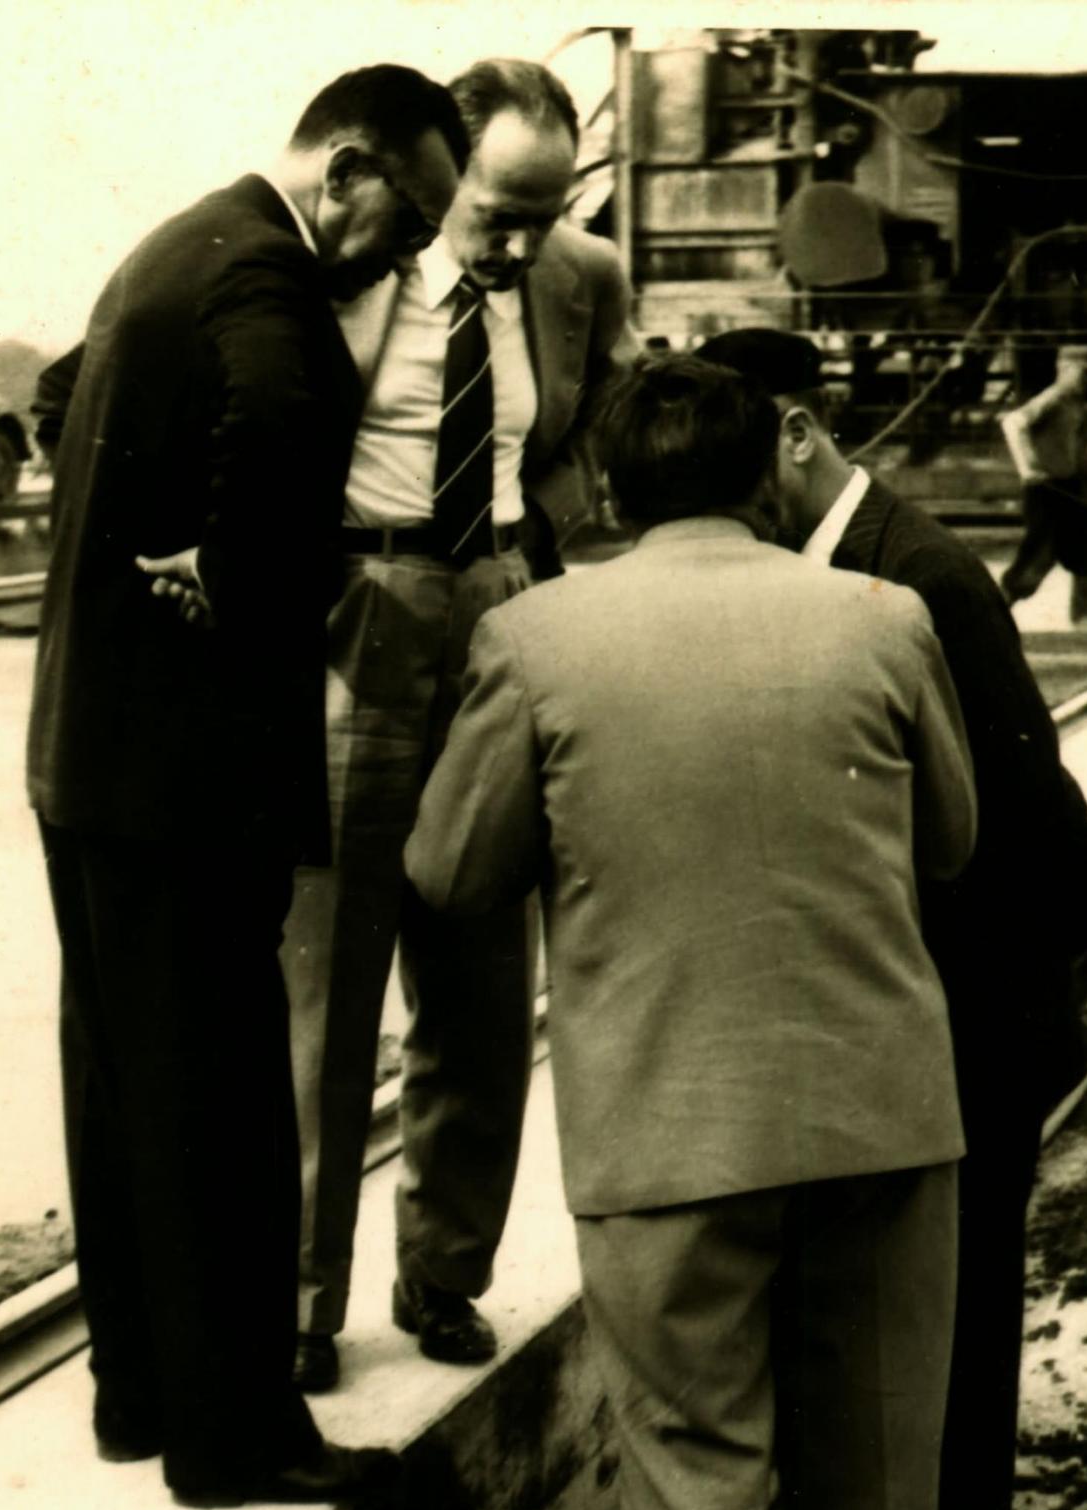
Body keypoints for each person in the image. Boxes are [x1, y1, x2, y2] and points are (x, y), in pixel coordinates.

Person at [405, 356, 977, 1510]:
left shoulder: (533, 638)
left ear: (602, 488)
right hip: (880, 1112)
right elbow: (952, 837)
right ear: (758, 478)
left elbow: (449, 873)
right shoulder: (883, 617)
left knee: (695, 1467)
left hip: (664, 1127)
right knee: (877, 1460)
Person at [27, 67, 468, 1507]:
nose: (409, 257)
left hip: (89, 761)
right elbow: (281, 421)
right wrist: (233, 571)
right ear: (344, 170)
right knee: (223, 1104)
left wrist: (180, 544)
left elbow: (70, 402)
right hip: (189, 784)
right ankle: (240, 1441)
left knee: (122, 1086)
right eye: (410, 221)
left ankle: (140, 1398)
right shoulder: (269, 282)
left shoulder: (174, 247)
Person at [696, 327, 1087, 1510]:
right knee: (901, 1351)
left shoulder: (922, 574)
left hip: (964, 1029)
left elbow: (1019, 794)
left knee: (950, 1351)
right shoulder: (839, 566)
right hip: (895, 1026)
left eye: (730, 465)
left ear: (794, 433)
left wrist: (1072, 879)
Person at [284, 58, 639, 1394]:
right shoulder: (337, 265)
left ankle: (444, 1274)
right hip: (361, 612)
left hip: (498, 615)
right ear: (441, 176)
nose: (520, 244)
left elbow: (595, 434)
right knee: (326, 984)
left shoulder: (579, 278)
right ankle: (299, 1300)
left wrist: (553, 565)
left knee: (486, 980)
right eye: (497, 213)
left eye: (548, 215)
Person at [998, 344, 1087, 626]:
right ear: (1066, 369)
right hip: (1045, 489)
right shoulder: (1052, 398)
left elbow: (1082, 454)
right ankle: (994, 612)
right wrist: (1026, 468)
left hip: (1072, 488)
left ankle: (1084, 621)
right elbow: (1012, 423)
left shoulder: (1077, 405)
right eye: (1083, 373)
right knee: (1039, 556)